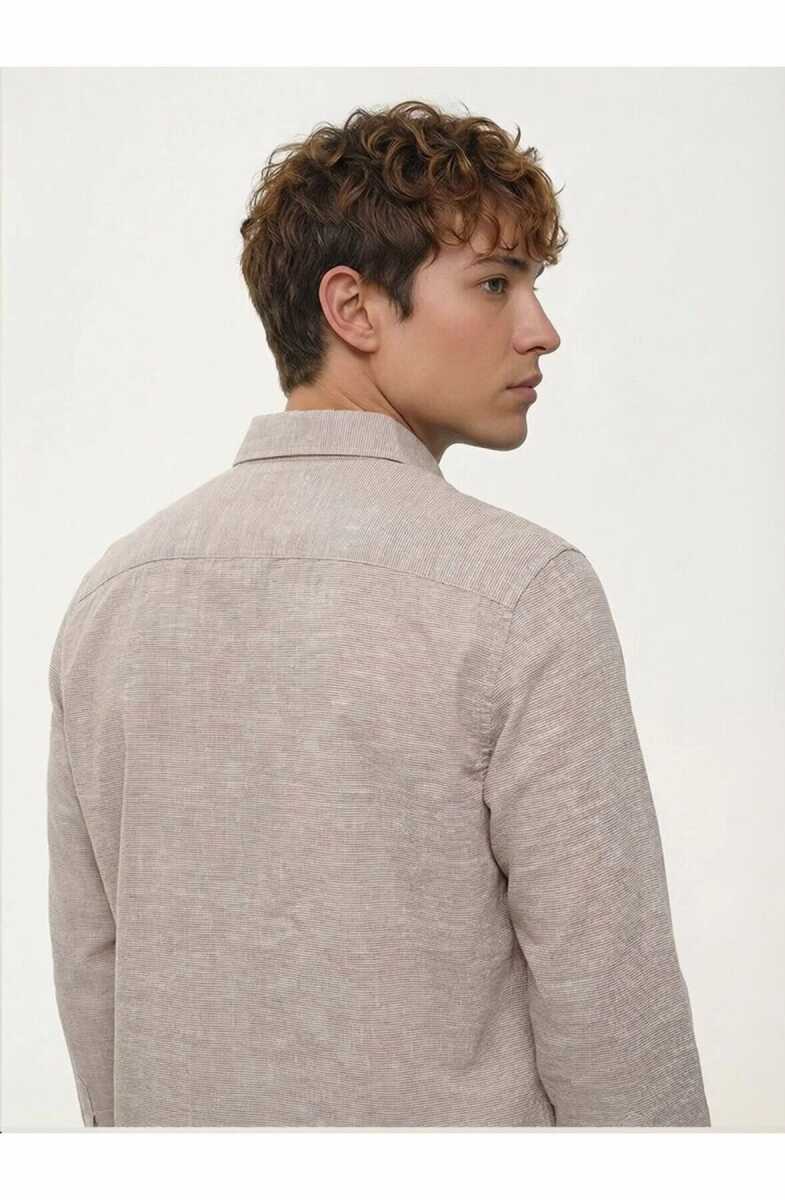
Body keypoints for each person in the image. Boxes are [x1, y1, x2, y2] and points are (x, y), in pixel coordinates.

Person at [47, 99, 710, 1128]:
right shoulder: (522, 594)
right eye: (495, 282)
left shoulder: (113, 598)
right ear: (353, 308)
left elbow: (96, 986)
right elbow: (611, 1014)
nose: (540, 329)